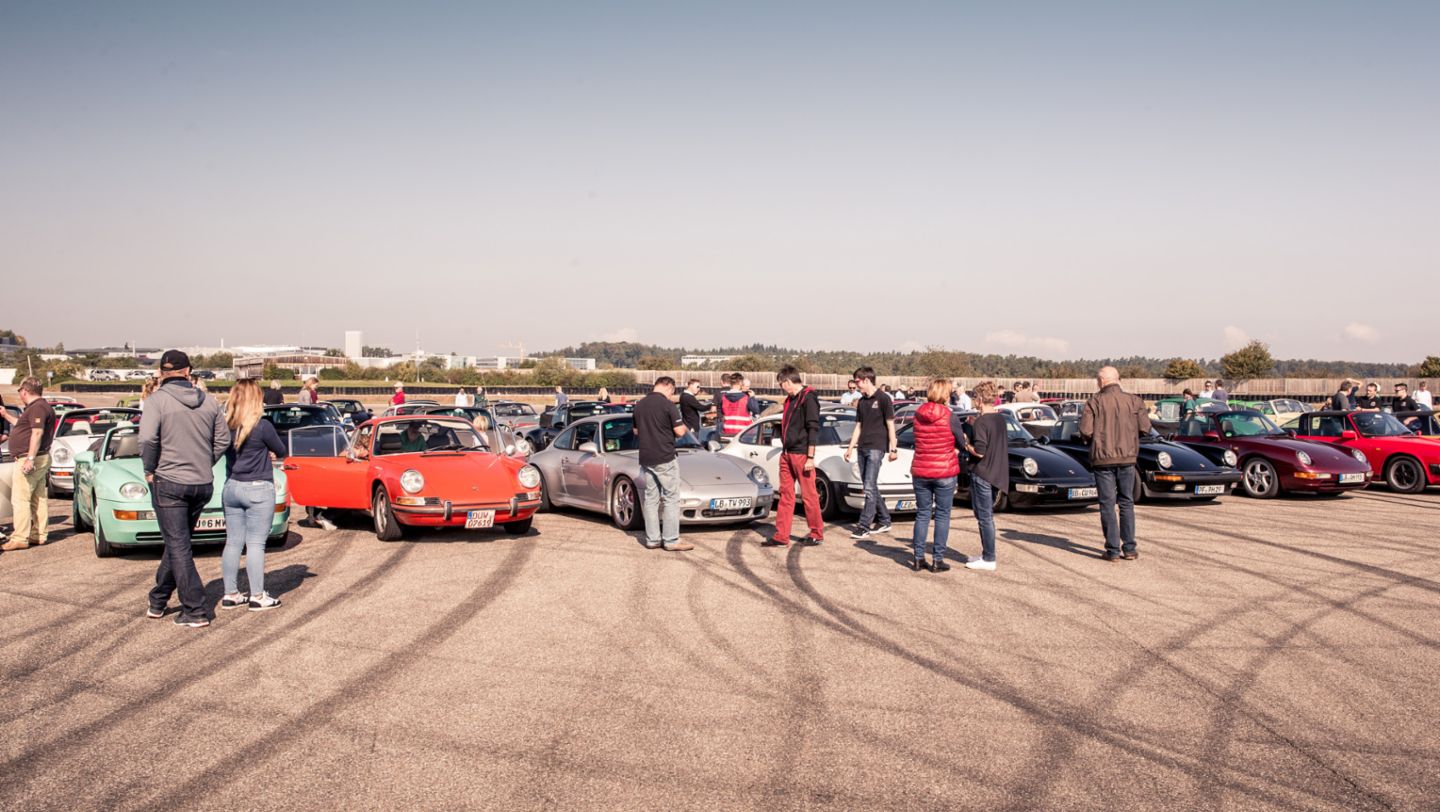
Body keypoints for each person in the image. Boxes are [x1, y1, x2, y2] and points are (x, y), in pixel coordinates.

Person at [141, 351, 231, 627]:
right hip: (201, 482)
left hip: (169, 482)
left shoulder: (157, 401)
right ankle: (158, 599)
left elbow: (146, 439)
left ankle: (195, 609)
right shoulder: (210, 402)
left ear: (161, 373)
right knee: (176, 542)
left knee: (178, 545)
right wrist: (205, 461)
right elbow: (223, 439)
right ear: (188, 371)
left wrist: (150, 468)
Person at [219, 379, 286, 612]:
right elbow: (282, 450)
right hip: (258, 487)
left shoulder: (226, 425)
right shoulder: (262, 426)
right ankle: (257, 595)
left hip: (232, 486)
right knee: (256, 544)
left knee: (233, 542)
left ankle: (230, 593)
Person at [1079, 366, 1151, 562]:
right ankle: (1129, 547)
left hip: (1102, 459)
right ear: (1118, 380)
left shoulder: (1094, 401)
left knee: (1107, 504)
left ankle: (1112, 550)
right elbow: (1145, 428)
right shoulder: (1135, 401)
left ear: (1101, 382)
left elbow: (1085, 430)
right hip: (1128, 458)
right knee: (1127, 502)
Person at [765, 366, 823, 547]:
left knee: (809, 495)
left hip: (802, 454)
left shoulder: (809, 398)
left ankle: (816, 533)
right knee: (785, 495)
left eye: (782, 384)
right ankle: (782, 536)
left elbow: (813, 428)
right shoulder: (789, 400)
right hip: (787, 453)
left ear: (788, 382)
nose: (782, 388)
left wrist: (810, 457)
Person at [908, 378, 962, 572]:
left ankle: (917, 557)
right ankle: (937, 560)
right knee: (942, 515)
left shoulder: (917, 415)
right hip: (944, 470)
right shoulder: (950, 416)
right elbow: (961, 442)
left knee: (922, 514)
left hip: (921, 469)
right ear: (945, 394)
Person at [633, 377, 692, 552]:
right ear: (669, 387)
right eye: (672, 392)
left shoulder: (639, 405)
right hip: (665, 456)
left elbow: (636, 431)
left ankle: (652, 539)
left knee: (651, 499)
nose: (671, 395)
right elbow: (680, 432)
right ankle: (671, 539)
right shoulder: (668, 406)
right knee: (671, 498)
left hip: (646, 457)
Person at [2, 378, 57, 551]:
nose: (20, 395)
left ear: (24, 391)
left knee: (20, 499)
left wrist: (30, 459)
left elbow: (37, 433)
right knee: (38, 498)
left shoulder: (38, 408)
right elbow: (23, 426)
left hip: (31, 459)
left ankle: (20, 537)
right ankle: (39, 534)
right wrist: (5, 415)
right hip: (39, 458)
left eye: (20, 392)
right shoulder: (38, 407)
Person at [844, 367, 896, 540]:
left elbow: (890, 425)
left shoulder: (883, 399)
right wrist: (851, 447)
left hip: (876, 447)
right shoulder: (862, 401)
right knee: (871, 486)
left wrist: (893, 448)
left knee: (868, 487)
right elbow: (858, 426)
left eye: (857, 381)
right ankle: (885, 520)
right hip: (862, 447)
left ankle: (864, 525)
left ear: (866, 380)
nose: (855, 385)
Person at [962, 380, 1008, 572]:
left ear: (980, 399)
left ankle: (989, 557)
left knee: (984, 516)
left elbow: (979, 451)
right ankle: (986, 554)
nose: (973, 401)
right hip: (997, 472)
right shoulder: (1000, 419)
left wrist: (966, 443)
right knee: (985, 515)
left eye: (974, 397)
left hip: (982, 472)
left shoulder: (981, 421)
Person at [716, 373, 764, 438]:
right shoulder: (746, 398)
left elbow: (721, 413)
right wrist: (752, 397)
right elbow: (756, 410)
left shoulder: (723, 398)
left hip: (727, 433)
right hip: (743, 434)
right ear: (740, 383)